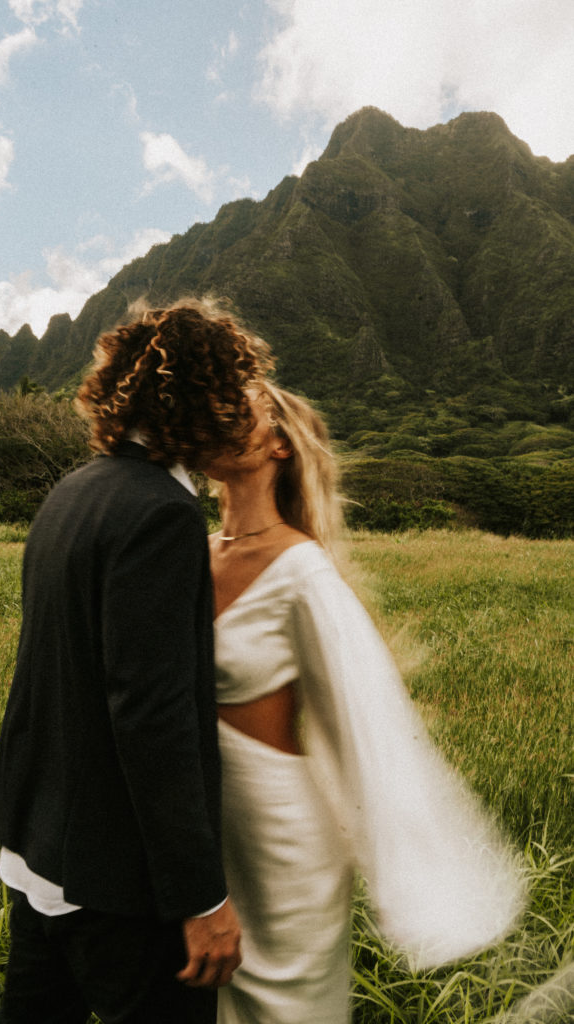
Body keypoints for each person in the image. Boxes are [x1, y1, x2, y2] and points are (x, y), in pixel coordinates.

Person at [0, 298, 273, 1024]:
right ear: (203, 400)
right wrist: (201, 899)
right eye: (234, 392)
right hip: (113, 881)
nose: (242, 411)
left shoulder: (71, 493)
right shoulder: (161, 514)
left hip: (36, 853)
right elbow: (152, 716)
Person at [204, 383, 526, 1024]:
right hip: (211, 830)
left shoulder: (302, 570)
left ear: (279, 447)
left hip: (281, 843)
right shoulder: (195, 550)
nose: (216, 418)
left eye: (240, 411)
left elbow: (370, 714)